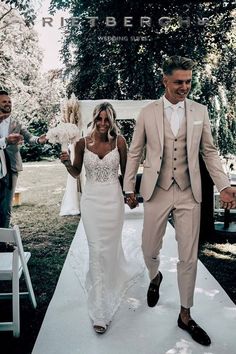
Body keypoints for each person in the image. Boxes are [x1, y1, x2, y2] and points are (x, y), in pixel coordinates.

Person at [124, 56, 236, 346]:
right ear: (165, 81)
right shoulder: (147, 112)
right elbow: (135, 152)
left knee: (188, 255)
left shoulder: (200, 111)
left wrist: (224, 185)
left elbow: (210, 152)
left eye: (188, 81)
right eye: (179, 82)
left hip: (189, 191)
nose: (185, 86)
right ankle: (155, 275)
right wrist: (128, 187)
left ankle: (185, 315)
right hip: (157, 190)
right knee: (149, 247)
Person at [60, 102, 140, 334]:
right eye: (100, 119)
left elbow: (127, 173)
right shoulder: (82, 143)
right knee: (96, 248)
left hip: (113, 202)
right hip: (92, 202)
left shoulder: (120, 142)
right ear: (94, 119)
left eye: (107, 119)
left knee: (110, 247)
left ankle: (113, 276)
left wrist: (130, 194)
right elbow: (76, 172)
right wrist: (66, 162)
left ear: (112, 120)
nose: (103, 124)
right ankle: (100, 311)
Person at [0, 90, 47, 228]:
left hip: (11, 167)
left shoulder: (16, 123)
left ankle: (3, 242)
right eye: (4, 101)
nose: (8, 104)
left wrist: (39, 139)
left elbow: (29, 137)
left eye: (9, 102)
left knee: (6, 206)